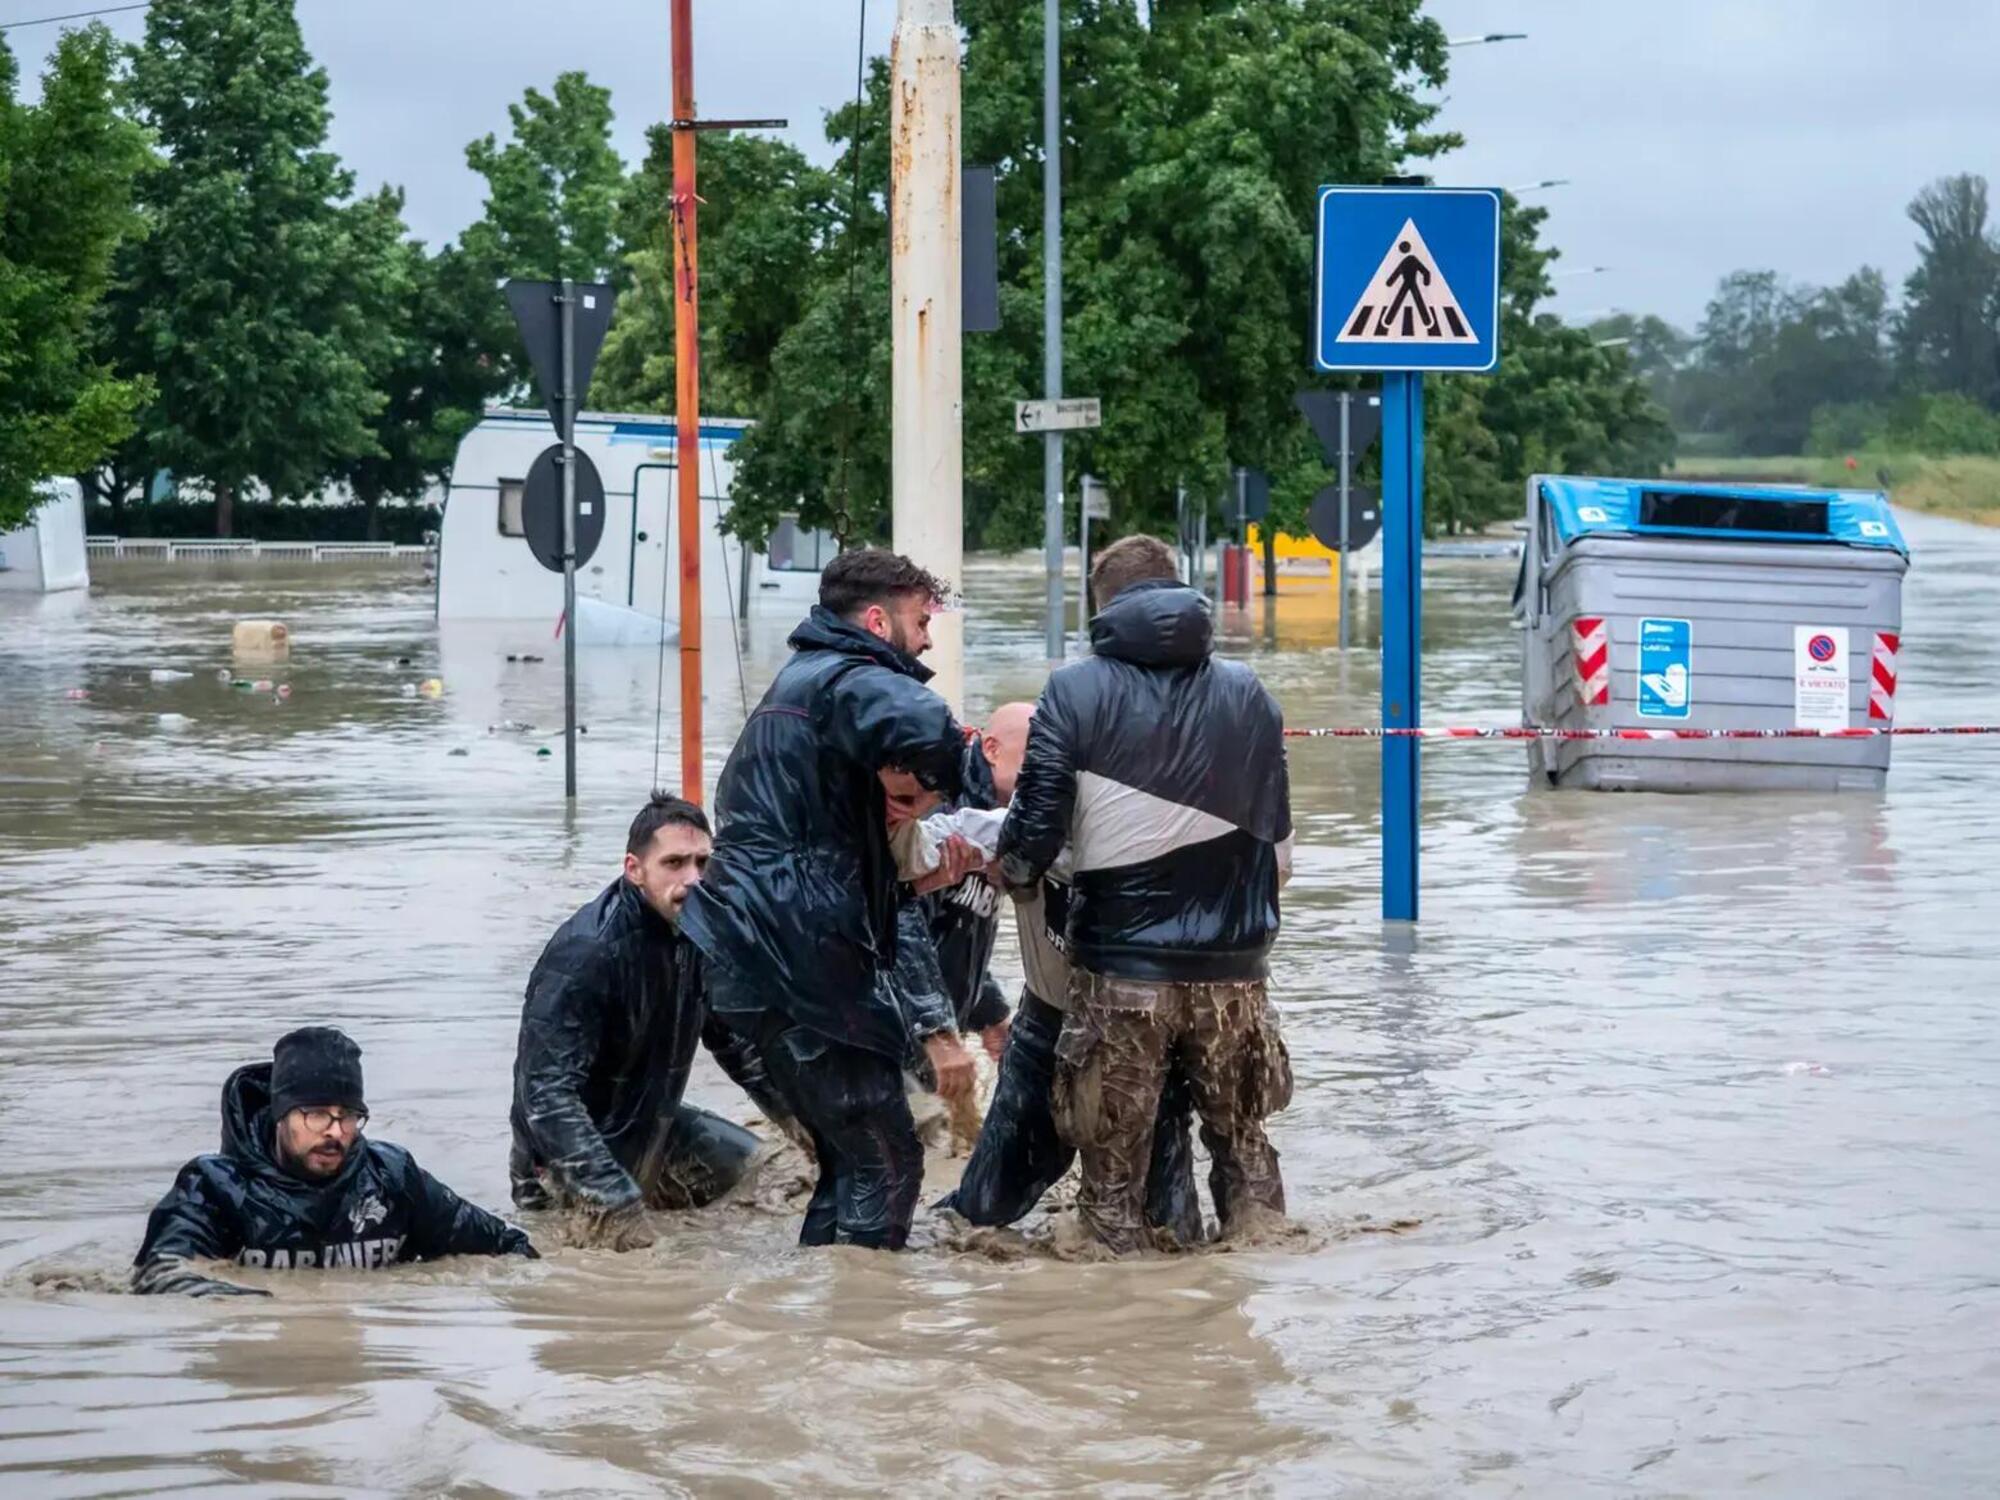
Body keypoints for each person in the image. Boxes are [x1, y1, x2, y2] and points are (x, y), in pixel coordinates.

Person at [996, 535, 1296, 1255]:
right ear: (1179, 589)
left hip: (1123, 970)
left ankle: (1127, 1337)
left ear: (1102, 607)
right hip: (1236, 974)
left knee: (1111, 1189)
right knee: (1246, 1151)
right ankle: (1258, 1289)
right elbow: (1276, 833)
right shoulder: (1250, 691)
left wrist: (1013, 872)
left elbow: (1034, 830)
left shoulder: (1074, 689)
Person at [681, 548, 986, 1250]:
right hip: (795, 961)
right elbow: (926, 725)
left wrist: (911, 863)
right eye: (919, 621)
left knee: (853, 1159)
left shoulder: (803, 685)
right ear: (877, 621)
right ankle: (869, 1333)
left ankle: (829, 1320)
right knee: (888, 1152)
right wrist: (956, 780)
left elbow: (828, 850)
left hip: (752, 958)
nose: (928, 640)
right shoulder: (847, 676)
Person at [935, 704, 1203, 1245]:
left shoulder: (1168, 831)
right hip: (1046, 1021)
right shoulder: (1021, 824)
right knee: (979, 1212)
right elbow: (937, 845)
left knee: (1170, 1231)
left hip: (1147, 1037)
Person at [509, 793, 787, 1251]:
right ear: (634, 869)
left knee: (768, 1171)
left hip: (653, 1123)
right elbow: (545, 1094)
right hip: (566, 1154)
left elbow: (737, 1043)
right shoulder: (585, 955)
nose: (693, 879)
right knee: (609, 1278)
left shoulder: (702, 930)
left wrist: (802, 1122)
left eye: (702, 862)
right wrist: (615, 1197)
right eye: (674, 863)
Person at [134, 1027, 535, 1296]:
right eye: (316, 1114)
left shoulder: (391, 1178)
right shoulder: (216, 1187)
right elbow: (160, 1275)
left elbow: (506, 1247)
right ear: (280, 1114)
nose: (335, 1131)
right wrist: (259, 1308)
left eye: (347, 1115)